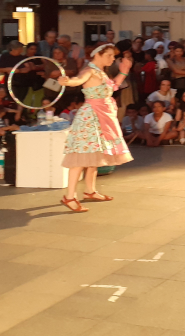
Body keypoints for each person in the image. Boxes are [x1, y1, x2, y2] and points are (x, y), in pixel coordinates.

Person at [56, 44, 134, 212]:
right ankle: (69, 196)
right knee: (81, 156)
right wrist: (68, 81)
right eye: (110, 55)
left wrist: (124, 71)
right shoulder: (89, 70)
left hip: (103, 116)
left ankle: (90, 190)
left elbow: (112, 87)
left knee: (95, 155)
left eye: (113, 56)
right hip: (91, 117)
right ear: (98, 54)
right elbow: (78, 79)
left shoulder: (101, 72)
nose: (113, 59)